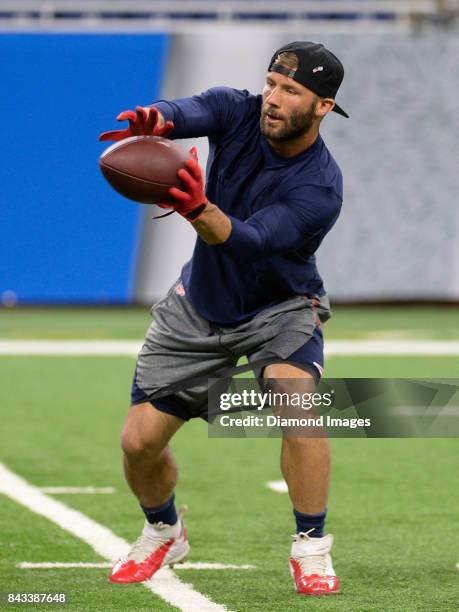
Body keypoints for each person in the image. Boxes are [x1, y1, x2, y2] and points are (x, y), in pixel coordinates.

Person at [100, 41, 348, 596]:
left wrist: (195, 208)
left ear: (323, 107)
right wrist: (155, 120)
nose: (274, 99)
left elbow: (250, 242)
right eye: (272, 84)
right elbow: (187, 111)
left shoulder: (320, 188)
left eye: (292, 91)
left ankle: (311, 547)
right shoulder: (238, 110)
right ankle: (164, 530)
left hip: (279, 306)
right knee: (138, 441)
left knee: (296, 400)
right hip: (200, 302)